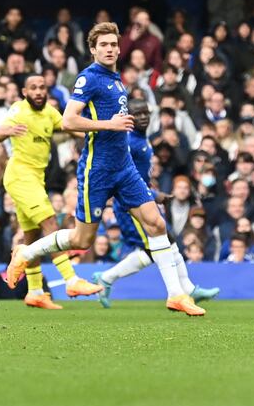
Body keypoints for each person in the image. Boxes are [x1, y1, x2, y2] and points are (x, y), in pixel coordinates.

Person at [6, 23, 206, 316]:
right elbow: (68, 121)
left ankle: (176, 294)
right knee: (81, 240)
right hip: (97, 168)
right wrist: (108, 125)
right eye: (104, 45)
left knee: (157, 224)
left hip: (123, 167)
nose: (110, 49)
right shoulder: (89, 78)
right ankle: (25, 252)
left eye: (114, 44)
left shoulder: (116, 78)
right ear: (93, 49)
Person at [90, 99, 219, 308]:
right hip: (129, 206)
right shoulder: (128, 143)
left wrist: (152, 193)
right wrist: (153, 193)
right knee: (157, 248)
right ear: (127, 116)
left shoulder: (144, 139)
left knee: (165, 241)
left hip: (143, 200)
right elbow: (123, 179)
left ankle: (186, 288)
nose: (142, 117)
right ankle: (182, 291)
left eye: (145, 113)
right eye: (136, 114)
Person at [0, 74, 102, 309]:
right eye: (33, 88)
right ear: (25, 91)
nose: (39, 91)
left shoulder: (50, 112)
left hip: (35, 179)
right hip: (20, 176)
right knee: (50, 223)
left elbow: (69, 125)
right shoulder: (18, 109)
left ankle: (34, 291)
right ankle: (71, 279)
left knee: (32, 236)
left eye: (42, 87)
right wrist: (9, 131)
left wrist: (99, 132)